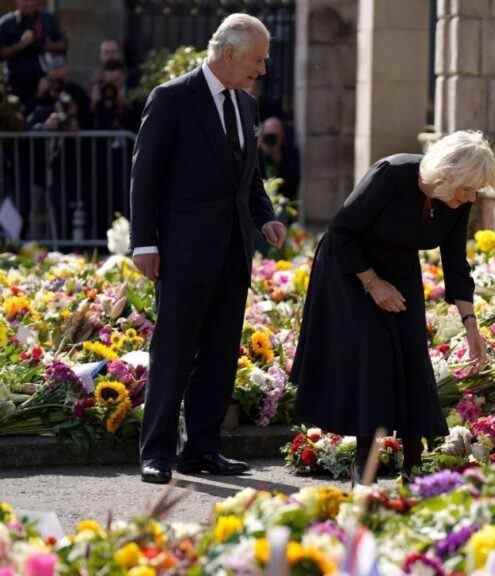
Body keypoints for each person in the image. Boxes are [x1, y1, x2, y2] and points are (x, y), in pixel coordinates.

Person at [130, 13, 287, 484]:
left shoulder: (245, 105)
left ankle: (201, 450)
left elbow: (249, 177)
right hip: (182, 252)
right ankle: (156, 452)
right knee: (174, 352)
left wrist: (266, 216)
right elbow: (145, 175)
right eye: (257, 60)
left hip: (233, 251)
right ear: (230, 53)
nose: (261, 69)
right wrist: (144, 243)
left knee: (219, 354)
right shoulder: (172, 98)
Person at [290, 131, 495, 483]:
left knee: (411, 350)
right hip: (350, 266)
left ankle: (414, 463)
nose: (474, 197)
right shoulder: (391, 174)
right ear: (449, 176)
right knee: (373, 352)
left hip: (399, 269)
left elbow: (455, 264)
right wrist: (372, 283)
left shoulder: (457, 202)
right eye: (470, 188)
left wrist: (472, 330)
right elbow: (342, 231)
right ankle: (364, 465)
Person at [0, 0, 67, 111]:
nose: (28, 3)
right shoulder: (6, 23)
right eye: (24, 0)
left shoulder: (48, 19)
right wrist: (22, 44)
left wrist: (42, 44)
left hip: (46, 84)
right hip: (16, 85)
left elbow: (63, 45)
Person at [257, 116, 300, 205]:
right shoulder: (257, 153)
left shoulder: (290, 153)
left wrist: (277, 157)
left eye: (274, 136)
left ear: (282, 135)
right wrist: (261, 150)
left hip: (283, 203)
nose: (271, 139)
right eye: (268, 136)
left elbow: (293, 182)